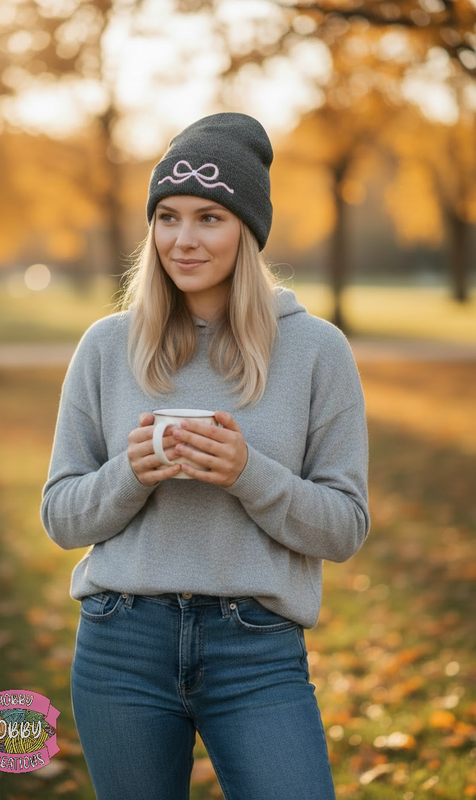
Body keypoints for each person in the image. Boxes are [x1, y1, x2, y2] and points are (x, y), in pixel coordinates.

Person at [41, 112, 370, 800]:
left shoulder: (315, 351)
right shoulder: (106, 346)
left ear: (246, 231)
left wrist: (247, 475)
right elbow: (62, 519)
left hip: (255, 647)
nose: (182, 240)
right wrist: (129, 474)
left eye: (208, 218)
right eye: (166, 216)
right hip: (119, 642)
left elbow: (343, 529)